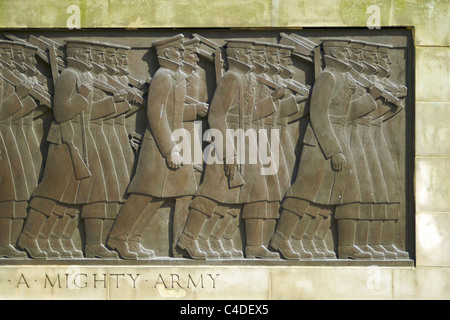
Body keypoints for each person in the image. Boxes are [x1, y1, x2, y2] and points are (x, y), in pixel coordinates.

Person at [106, 34, 208, 260]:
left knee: (160, 196)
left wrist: (194, 113)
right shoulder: (162, 76)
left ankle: (132, 238)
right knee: (144, 193)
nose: (183, 55)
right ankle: (118, 236)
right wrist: (169, 148)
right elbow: (156, 114)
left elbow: (175, 112)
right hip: (160, 145)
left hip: (174, 141)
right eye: (179, 51)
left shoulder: (176, 77)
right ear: (169, 53)